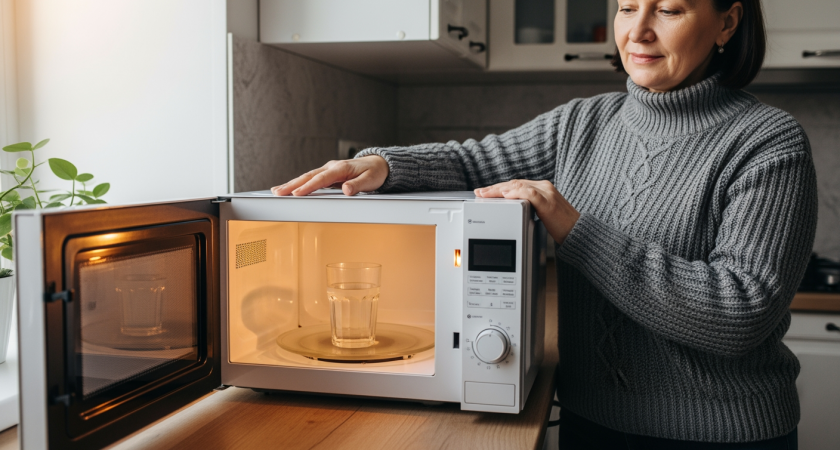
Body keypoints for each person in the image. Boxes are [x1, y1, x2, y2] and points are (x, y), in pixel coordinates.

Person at [272, 0, 816, 448]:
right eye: (627, 9)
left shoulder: (767, 142)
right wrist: (384, 164)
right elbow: (472, 162)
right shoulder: (581, 123)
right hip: (589, 424)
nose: (639, 31)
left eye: (669, 10)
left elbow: (739, 312)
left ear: (727, 21)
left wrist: (574, 230)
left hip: (722, 436)